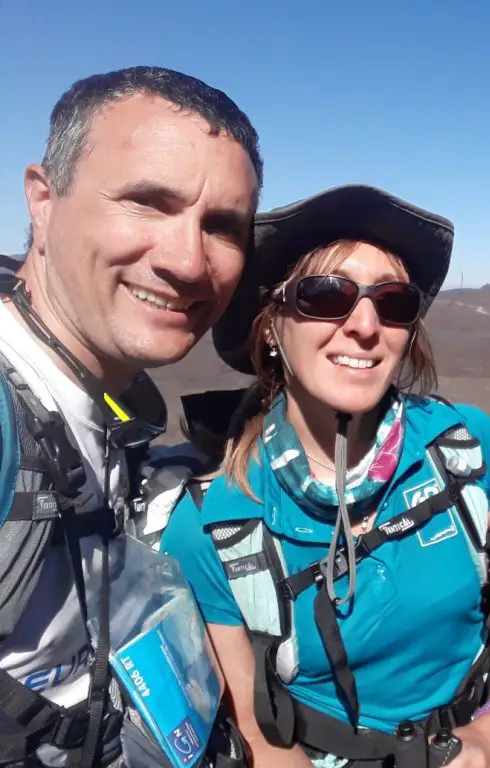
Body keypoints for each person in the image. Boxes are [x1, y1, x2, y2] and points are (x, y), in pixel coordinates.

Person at [159, 184, 490, 768]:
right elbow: (260, 731)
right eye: (326, 294)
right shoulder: (215, 524)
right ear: (271, 327)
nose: (365, 325)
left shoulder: (466, 444)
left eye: (393, 300)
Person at [0, 65, 262, 767]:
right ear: (43, 201)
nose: (187, 260)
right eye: (147, 202)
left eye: (222, 227)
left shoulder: (109, 403)